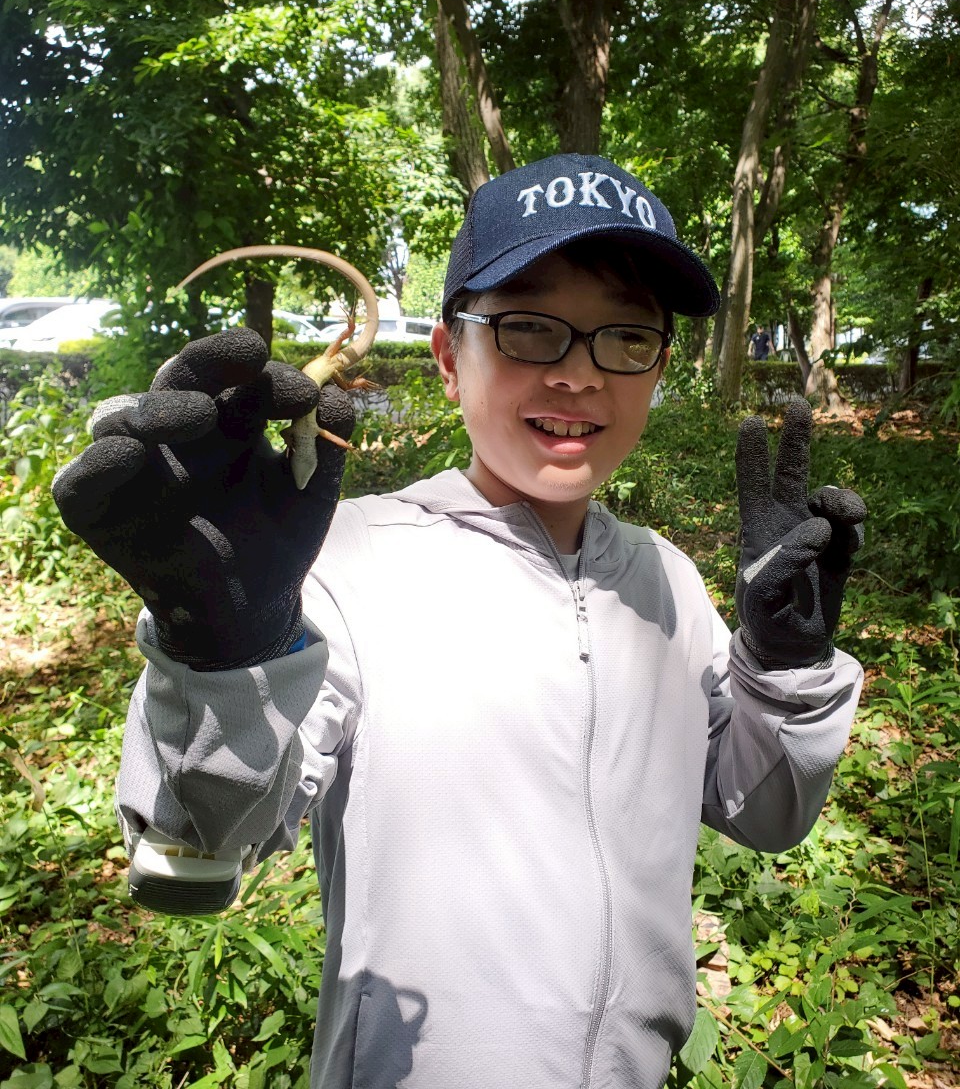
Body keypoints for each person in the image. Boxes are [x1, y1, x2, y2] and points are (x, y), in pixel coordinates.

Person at [53, 153, 867, 1089]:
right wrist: (221, 653)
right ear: (449, 357)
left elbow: (765, 810)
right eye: (530, 328)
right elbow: (190, 860)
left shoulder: (668, 582)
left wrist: (785, 669)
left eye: (625, 337)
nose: (578, 375)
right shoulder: (348, 566)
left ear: (657, 368)